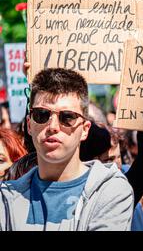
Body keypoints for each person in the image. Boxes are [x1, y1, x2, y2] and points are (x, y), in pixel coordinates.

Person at [0, 68, 134, 230]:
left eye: (67, 117)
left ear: (85, 129)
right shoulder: (6, 197)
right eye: (42, 115)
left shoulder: (111, 190)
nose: (53, 126)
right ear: (29, 125)